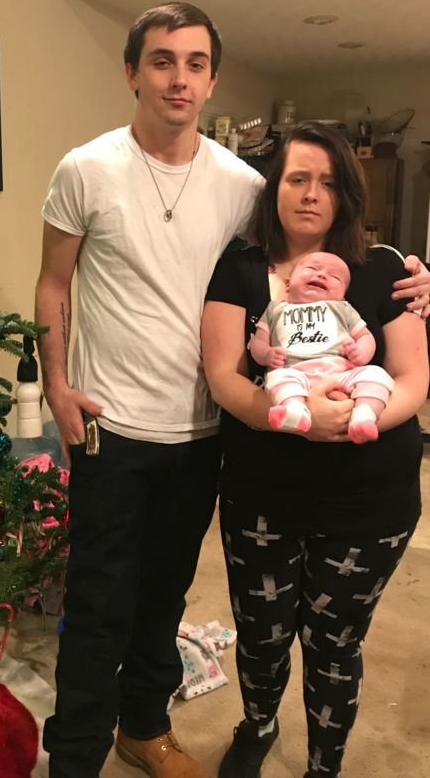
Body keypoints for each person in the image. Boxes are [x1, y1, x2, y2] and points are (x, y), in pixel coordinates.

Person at [34, 1, 430, 778]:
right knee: (97, 603)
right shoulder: (86, 168)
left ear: (212, 80)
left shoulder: (246, 185)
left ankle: (144, 728)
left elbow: (321, 243)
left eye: (195, 63)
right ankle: (75, 758)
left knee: (165, 598)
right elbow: (53, 284)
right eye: (161, 60)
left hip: (202, 434)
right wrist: (56, 384)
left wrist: (415, 273)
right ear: (132, 72)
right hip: (111, 426)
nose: (178, 79)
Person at [201, 120, 429, 778]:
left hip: (370, 504)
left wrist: (354, 416)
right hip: (262, 497)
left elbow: (413, 378)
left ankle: (324, 766)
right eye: (298, 178)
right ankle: (258, 725)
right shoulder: (238, 271)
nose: (310, 194)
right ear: (274, 186)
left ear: (346, 195)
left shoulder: (385, 270)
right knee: (262, 635)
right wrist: (292, 422)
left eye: (328, 182)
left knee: (335, 645)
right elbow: (224, 377)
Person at [249, 250, 393, 442]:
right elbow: (258, 341)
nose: (322, 275)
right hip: (295, 372)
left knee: (376, 374)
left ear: (342, 295)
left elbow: (365, 336)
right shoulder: (275, 310)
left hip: (342, 373)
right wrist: (266, 354)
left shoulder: (343, 309)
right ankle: (294, 409)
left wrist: (361, 353)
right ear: (288, 284)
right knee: (277, 378)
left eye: (334, 277)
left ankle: (364, 414)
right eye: (312, 268)